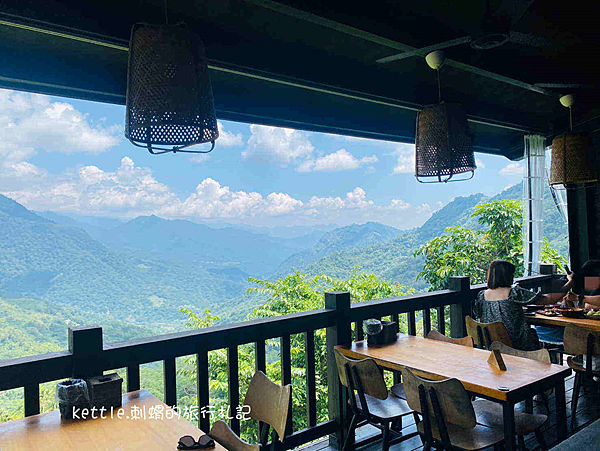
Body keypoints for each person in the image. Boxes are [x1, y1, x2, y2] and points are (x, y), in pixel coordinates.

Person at [473, 260, 555, 351]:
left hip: (492, 344)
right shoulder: (513, 293)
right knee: (534, 334)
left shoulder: (481, 296)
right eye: (512, 274)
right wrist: (569, 284)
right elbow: (547, 299)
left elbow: (480, 317)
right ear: (507, 276)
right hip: (517, 345)